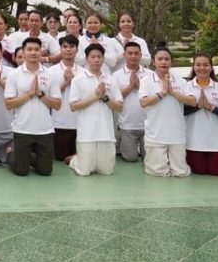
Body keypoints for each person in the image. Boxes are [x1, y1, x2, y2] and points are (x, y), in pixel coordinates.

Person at [4, 37, 62, 176]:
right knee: (21, 171)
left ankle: (26, 156)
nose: (33, 52)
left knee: (46, 171)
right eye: (29, 49)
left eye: (36, 49)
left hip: (45, 129)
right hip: (22, 128)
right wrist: (29, 94)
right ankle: (11, 154)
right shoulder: (14, 74)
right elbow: (8, 103)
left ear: (41, 51)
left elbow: (57, 104)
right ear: (23, 52)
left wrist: (40, 94)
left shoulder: (50, 74)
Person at [139, 47, 197, 177]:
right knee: (157, 172)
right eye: (160, 59)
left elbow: (193, 101)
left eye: (167, 59)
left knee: (181, 172)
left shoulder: (181, 81)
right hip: (156, 132)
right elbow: (143, 102)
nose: (163, 62)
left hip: (176, 132)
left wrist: (173, 93)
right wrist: (162, 93)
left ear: (171, 62)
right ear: (154, 62)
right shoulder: (146, 80)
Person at [68, 44, 123, 176]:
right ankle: (74, 160)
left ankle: (83, 159)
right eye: (93, 57)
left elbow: (120, 106)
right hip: (87, 132)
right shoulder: (78, 79)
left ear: (103, 59)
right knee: (84, 171)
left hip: (106, 131)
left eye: (99, 57)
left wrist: (105, 98)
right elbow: (73, 106)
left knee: (106, 171)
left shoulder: (111, 80)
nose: (96, 60)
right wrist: (95, 97)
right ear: (87, 59)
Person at [184, 53, 218, 176]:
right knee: (199, 170)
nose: (202, 68)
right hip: (193, 141)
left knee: (216, 171)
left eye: (206, 65)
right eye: (198, 65)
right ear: (193, 67)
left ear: (211, 67)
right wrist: (198, 106)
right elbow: (181, 112)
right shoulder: (186, 86)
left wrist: (211, 107)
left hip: (216, 142)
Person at [49, 35, 83, 163]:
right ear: (60, 49)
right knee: (60, 158)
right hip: (58, 123)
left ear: (77, 50)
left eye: (72, 47)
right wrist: (65, 83)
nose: (68, 50)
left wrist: (74, 82)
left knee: (78, 157)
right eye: (65, 47)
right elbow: (48, 97)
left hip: (79, 123)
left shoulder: (83, 72)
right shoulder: (51, 71)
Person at [112, 42, 147, 162]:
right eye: (130, 53)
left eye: (136, 53)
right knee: (130, 158)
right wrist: (131, 87)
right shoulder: (116, 76)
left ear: (141, 55)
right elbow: (114, 98)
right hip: (127, 124)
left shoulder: (150, 74)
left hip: (148, 124)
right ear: (124, 55)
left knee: (149, 158)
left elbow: (154, 96)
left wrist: (140, 87)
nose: (133, 56)